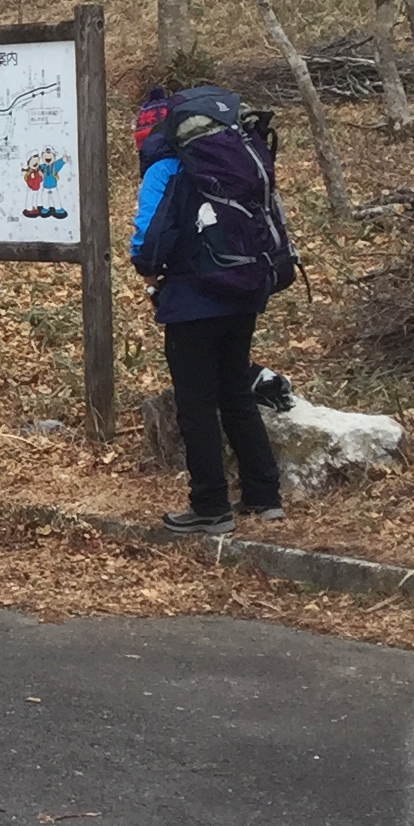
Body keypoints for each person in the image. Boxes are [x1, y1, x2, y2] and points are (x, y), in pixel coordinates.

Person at [129, 89, 285, 533]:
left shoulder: (165, 169)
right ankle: (263, 494)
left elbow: (147, 244)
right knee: (235, 391)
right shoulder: (231, 160)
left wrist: (150, 275)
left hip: (191, 302)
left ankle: (210, 506)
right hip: (243, 290)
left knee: (195, 405)